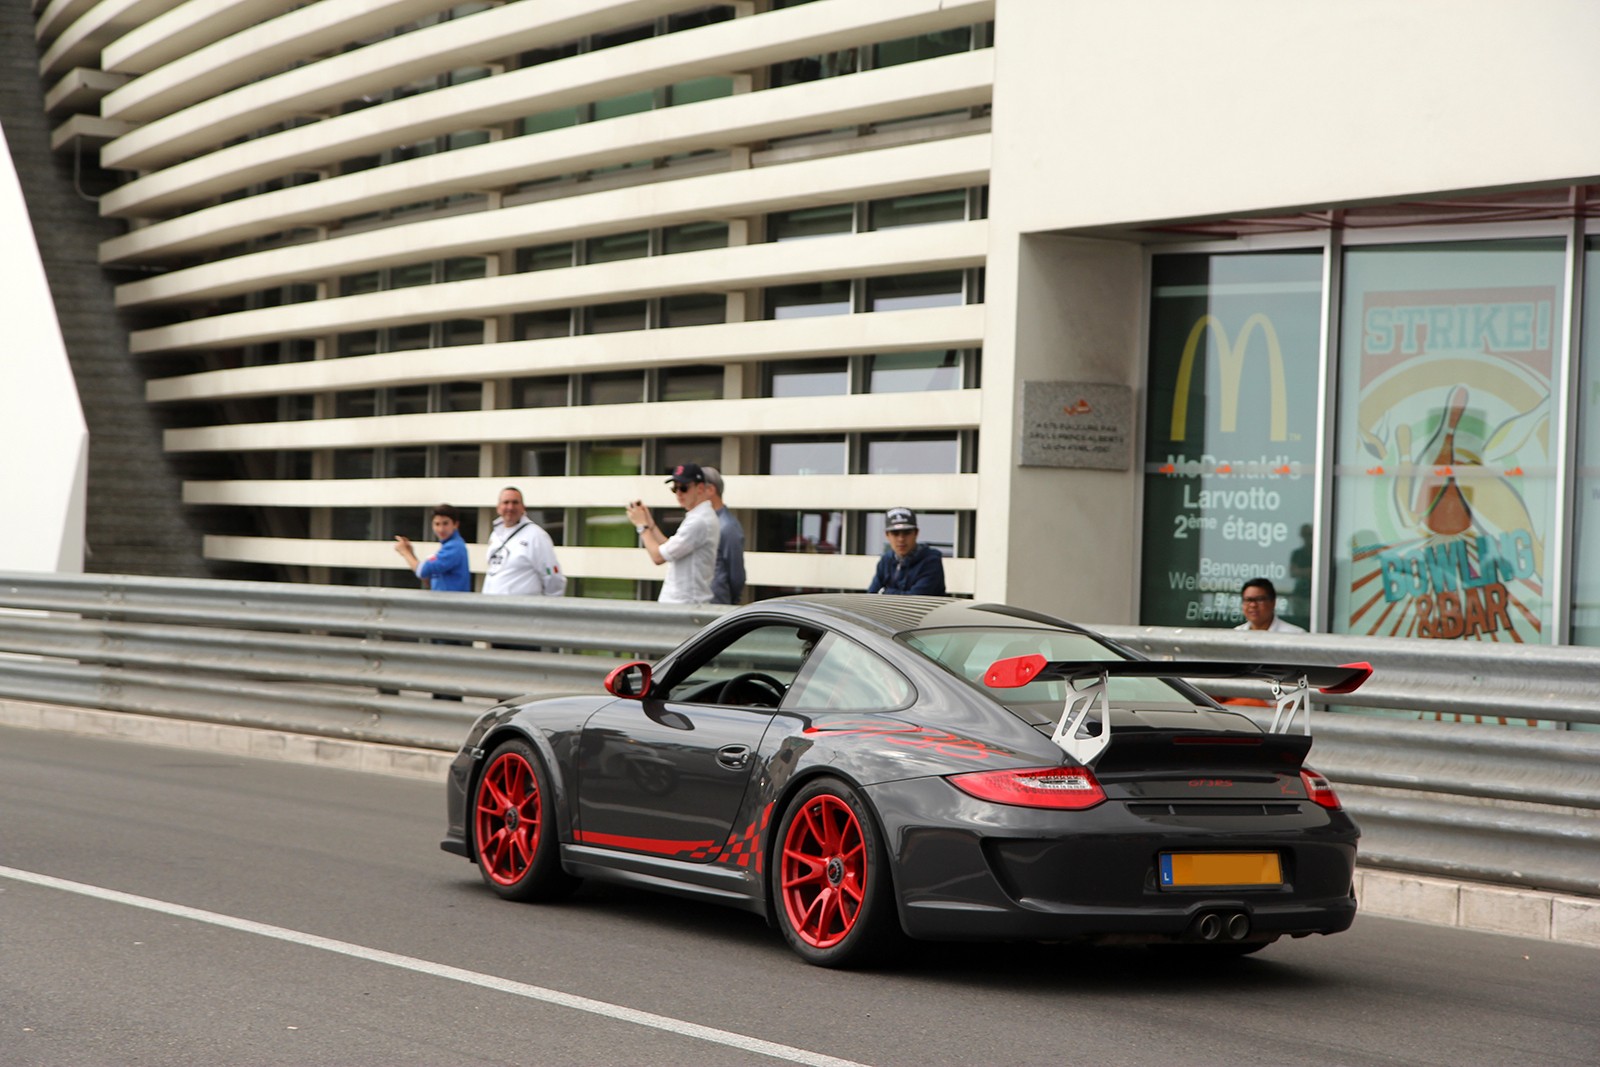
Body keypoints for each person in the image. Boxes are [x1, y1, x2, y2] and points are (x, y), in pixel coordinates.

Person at [626, 463, 720, 604]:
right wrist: (650, 524)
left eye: (683, 488)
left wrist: (642, 526)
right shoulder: (699, 516)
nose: (678, 493)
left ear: (700, 488)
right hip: (685, 604)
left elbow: (658, 557)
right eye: (675, 488)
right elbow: (670, 548)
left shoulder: (698, 521)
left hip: (685, 604)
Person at [483, 486, 565, 596]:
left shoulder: (536, 536)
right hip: (492, 608)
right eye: (506, 502)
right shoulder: (495, 535)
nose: (510, 507)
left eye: (515, 502)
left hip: (521, 610)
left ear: (523, 507)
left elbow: (553, 578)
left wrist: (551, 608)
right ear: (498, 507)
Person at [867, 507, 945, 595]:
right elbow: (871, 596)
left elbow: (915, 600)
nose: (901, 539)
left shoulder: (931, 561)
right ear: (887, 535)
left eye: (907, 532)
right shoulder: (885, 560)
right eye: (895, 533)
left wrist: (885, 592)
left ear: (916, 533)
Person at [393, 504, 471, 592]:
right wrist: (410, 553)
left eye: (445, 523)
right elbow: (426, 578)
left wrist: (405, 552)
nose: (441, 529)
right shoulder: (450, 545)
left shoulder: (454, 547)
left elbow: (422, 571)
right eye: (437, 524)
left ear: (455, 525)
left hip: (450, 604)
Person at [702, 466, 746, 605]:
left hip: (716, 605)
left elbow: (736, 575)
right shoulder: (700, 521)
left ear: (710, 490)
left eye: (697, 489)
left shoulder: (728, 526)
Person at [1236, 576, 1306, 633]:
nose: (1253, 605)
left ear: (1273, 602)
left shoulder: (1295, 634)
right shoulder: (1235, 634)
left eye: (1259, 600)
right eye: (1248, 600)